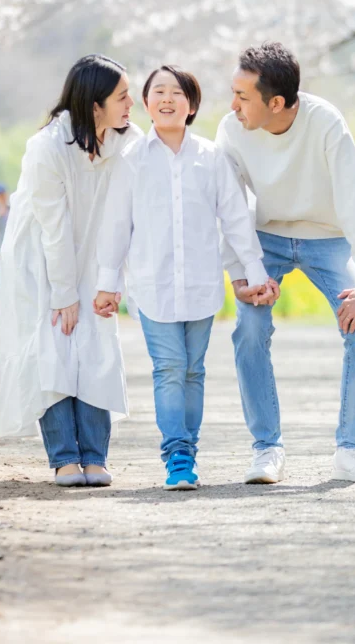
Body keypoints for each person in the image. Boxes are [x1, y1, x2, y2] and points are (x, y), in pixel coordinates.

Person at [95, 65, 278, 490]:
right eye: (159, 92)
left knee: (194, 370)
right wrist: (109, 284)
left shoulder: (212, 158)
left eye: (178, 92)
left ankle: (187, 452)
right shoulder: (131, 161)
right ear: (146, 104)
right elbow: (117, 226)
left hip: (200, 283)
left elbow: (235, 220)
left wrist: (256, 274)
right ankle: (176, 453)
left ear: (191, 105)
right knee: (170, 368)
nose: (168, 99)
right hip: (152, 285)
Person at [216, 42, 355, 485]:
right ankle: (266, 448)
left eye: (242, 96)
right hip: (266, 239)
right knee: (250, 327)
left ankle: (351, 449)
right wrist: (241, 274)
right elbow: (228, 206)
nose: (233, 105)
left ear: (275, 103)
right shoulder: (232, 130)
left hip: (326, 237)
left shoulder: (325, 122)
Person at [0, 54, 142, 487]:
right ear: (95, 105)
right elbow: (52, 228)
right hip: (42, 262)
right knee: (55, 347)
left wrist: (111, 279)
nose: (132, 103)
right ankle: (64, 460)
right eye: (122, 96)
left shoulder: (127, 142)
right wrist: (63, 292)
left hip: (96, 255)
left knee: (97, 347)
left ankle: (95, 457)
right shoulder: (47, 147)